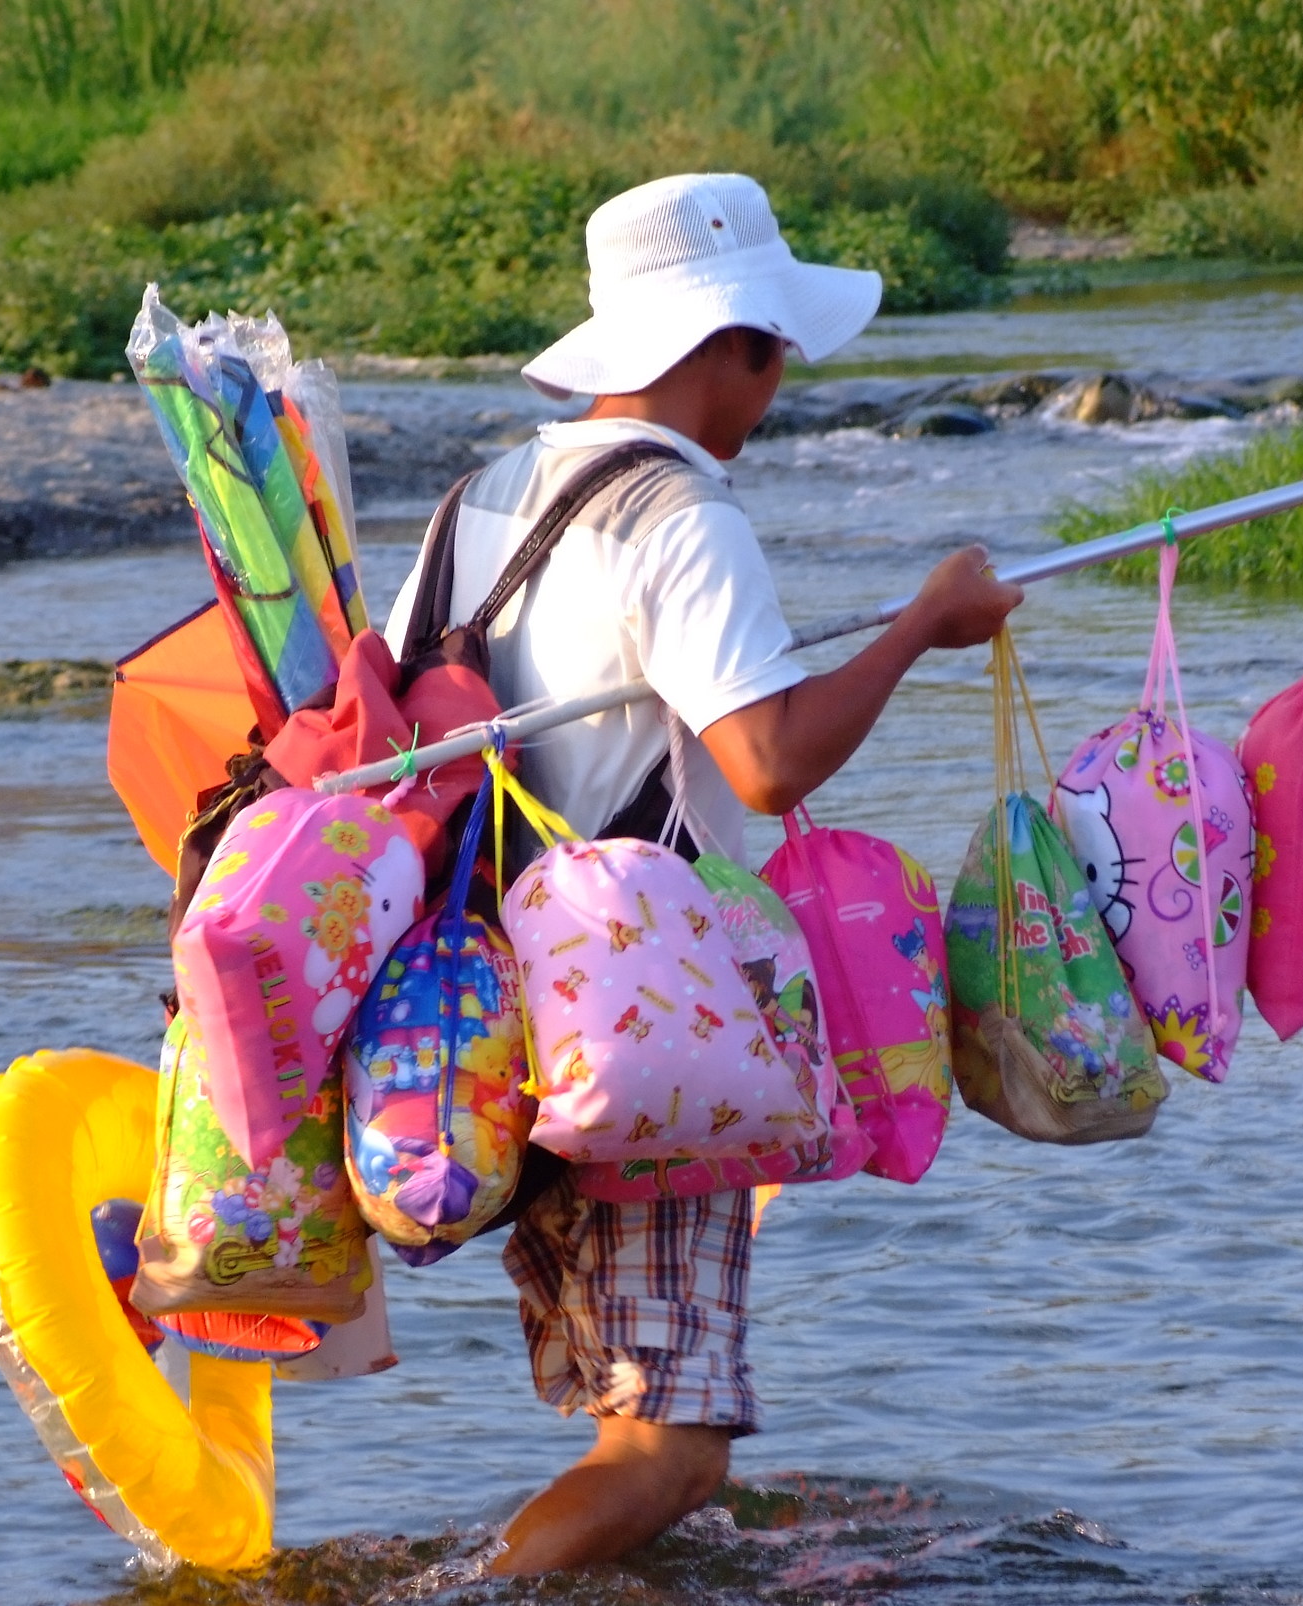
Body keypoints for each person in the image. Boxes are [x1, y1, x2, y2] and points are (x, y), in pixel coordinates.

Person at [383, 171, 1021, 1575]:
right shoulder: (682, 516)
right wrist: (923, 624)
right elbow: (770, 761)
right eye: (774, 347)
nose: (781, 378)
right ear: (725, 344)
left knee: (636, 1421)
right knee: (669, 1452)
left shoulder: (476, 501)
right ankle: (462, 1596)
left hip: (479, 1016)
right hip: (635, 1025)